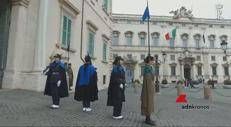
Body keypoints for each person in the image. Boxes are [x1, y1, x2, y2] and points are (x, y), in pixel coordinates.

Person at [141, 55, 156, 126]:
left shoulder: (150, 67)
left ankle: (148, 118)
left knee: (149, 103)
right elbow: (148, 79)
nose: (153, 62)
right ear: (150, 61)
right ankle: (147, 119)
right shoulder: (148, 68)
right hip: (148, 89)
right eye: (153, 60)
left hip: (150, 88)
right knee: (148, 102)